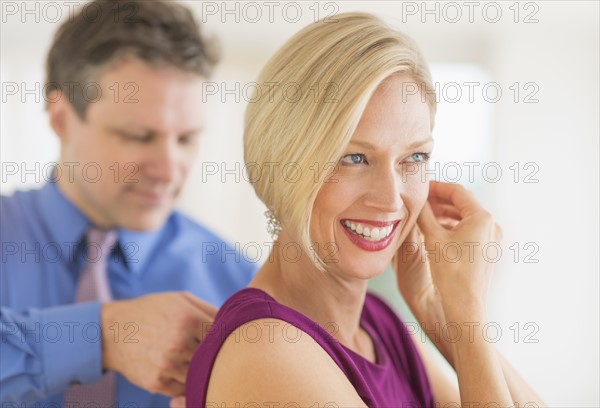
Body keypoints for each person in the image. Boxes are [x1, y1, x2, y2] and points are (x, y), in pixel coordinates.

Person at [186, 12, 546, 407]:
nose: (391, 199)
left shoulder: (377, 323)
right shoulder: (268, 348)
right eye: (354, 158)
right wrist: (467, 314)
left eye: (415, 157)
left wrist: (437, 312)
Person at [0, 1, 256, 407]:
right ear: (61, 119)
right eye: (139, 136)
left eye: (186, 138)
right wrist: (101, 337)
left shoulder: (237, 282)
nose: (170, 170)